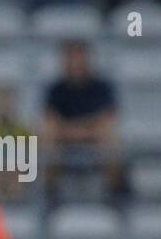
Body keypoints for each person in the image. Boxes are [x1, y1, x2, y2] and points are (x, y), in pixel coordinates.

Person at [40, 39, 128, 212]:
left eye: (78, 58)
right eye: (71, 58)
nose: (75, 63)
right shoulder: (56, 89)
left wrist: (77, 130)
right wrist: (79, 130)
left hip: (94, 140)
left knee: (110, 135)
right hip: (64, 141)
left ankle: (114, 195)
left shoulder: (102, 87)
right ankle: (50, 195)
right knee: (46, 134)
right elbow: (50, 120)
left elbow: (106, 119)